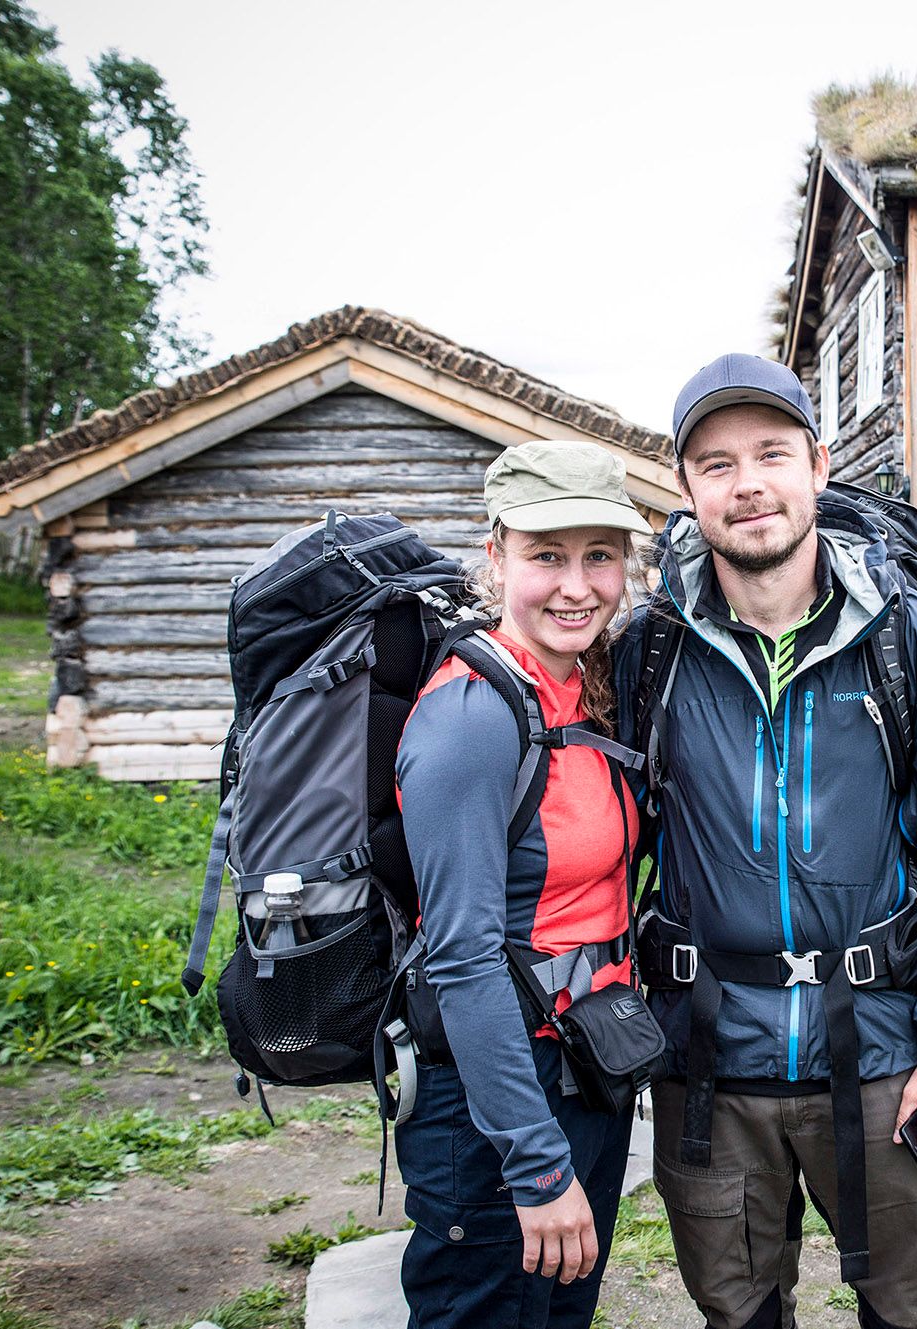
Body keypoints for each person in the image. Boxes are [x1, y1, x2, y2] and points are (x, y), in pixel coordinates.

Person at [618, 354, 917, 1329]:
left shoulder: (905, 637)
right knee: (739, 1317)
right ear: (685, 490)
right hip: (706, 1062)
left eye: (769, 453)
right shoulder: (649, 650)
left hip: (880, 1054)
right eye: (715, 463)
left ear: (818, 465)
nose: (746, 482)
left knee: (904, 1315)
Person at [395, 439, 656, 1328]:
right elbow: (462, 958)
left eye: (600, 556)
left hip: (586, 1066)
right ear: (497, 553)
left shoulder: (584, 689)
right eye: (547, 555)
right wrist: (536, 1164)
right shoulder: (472, 716)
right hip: (499, 1103)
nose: (576, 584)